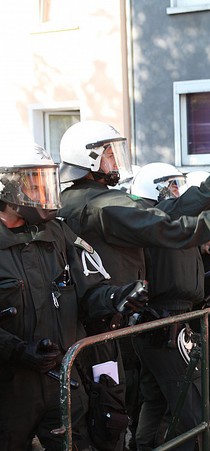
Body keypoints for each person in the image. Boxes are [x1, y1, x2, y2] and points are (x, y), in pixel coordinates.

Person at [57, 120, 210, 450]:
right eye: (109, 153)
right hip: (104, 330)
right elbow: (171, 227)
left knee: (134, 409)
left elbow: (182, 206)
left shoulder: (99, 201)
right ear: (89, 158)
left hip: (115, 322)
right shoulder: (99, 206)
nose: (116, 159)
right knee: (112, 419)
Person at [0, 143, 146, 451]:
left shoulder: (56, 233)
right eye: (33, 183)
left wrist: (114, 297)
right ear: (6, 189)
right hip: (11, 386)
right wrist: (18, 351)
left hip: (62, 377)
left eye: (45, 181)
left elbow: (86, 292)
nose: (42, 191)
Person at [129, 162, 210, 451]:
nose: (178, 192)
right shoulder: (158, 223)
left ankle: (143, 445)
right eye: (172, 185)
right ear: (155, 189)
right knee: (188, 404)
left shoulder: (166, 224)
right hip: (166, 320)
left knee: (158, 399)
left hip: (178, 317)